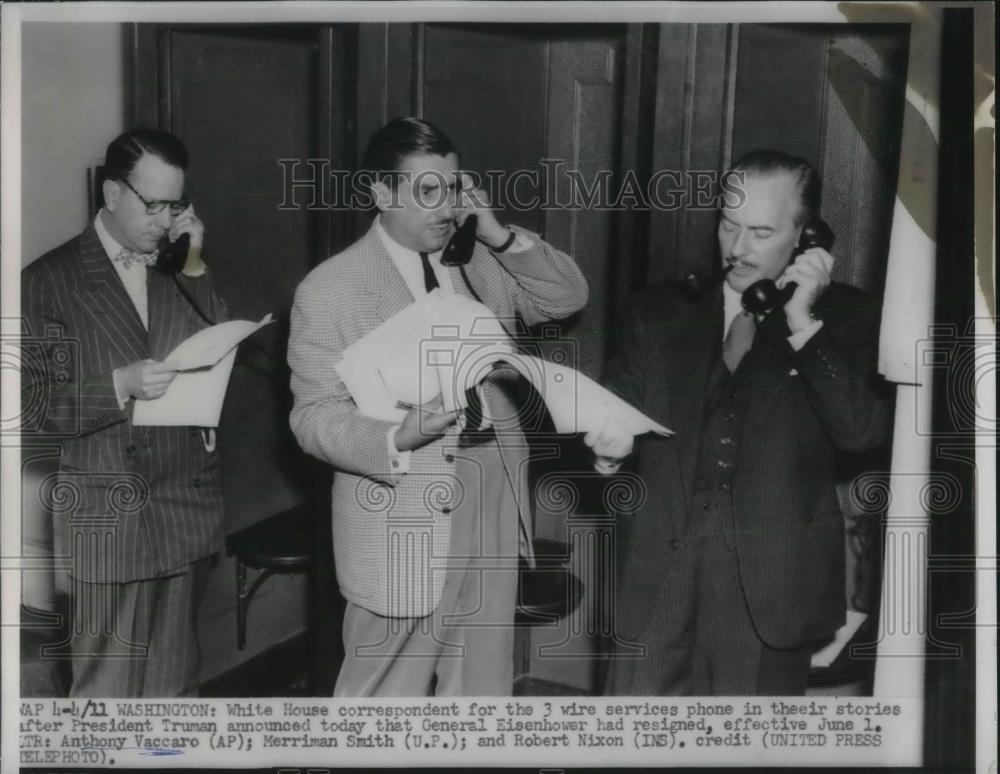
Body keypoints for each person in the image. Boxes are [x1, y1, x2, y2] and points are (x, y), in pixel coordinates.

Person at [287, 116, 589, 696]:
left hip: (491, 479)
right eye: (428, 191)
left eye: (453, 188)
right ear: (381, 193)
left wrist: (498, 234)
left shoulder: (478, 261)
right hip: (399, 494)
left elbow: (566, 296)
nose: (446, 207)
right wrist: (395, 435)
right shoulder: (330, 288)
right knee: (383, 693)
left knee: (480, 675)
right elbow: (311, 416)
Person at [602, 150, 893, 696]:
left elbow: (863, 433)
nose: (737, 249)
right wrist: (606, 452)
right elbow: (613, 418)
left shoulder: (847, 320)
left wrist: (804, 324)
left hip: (770, 593)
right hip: (655, 586)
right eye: (729, 225)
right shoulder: (658, 310)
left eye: (760, 231)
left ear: (808, 238)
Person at [21, 129, 228, 697]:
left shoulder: (179, 267)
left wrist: (195, 265)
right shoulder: (47, 281)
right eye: (153, 203)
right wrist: (118, 385)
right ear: (112, 194)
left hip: (184, 502)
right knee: (105, 693)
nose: (165, 221)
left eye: (176, 204)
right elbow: (29, 406)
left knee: (172, 686)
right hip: (107, 514)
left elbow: (220, 346)